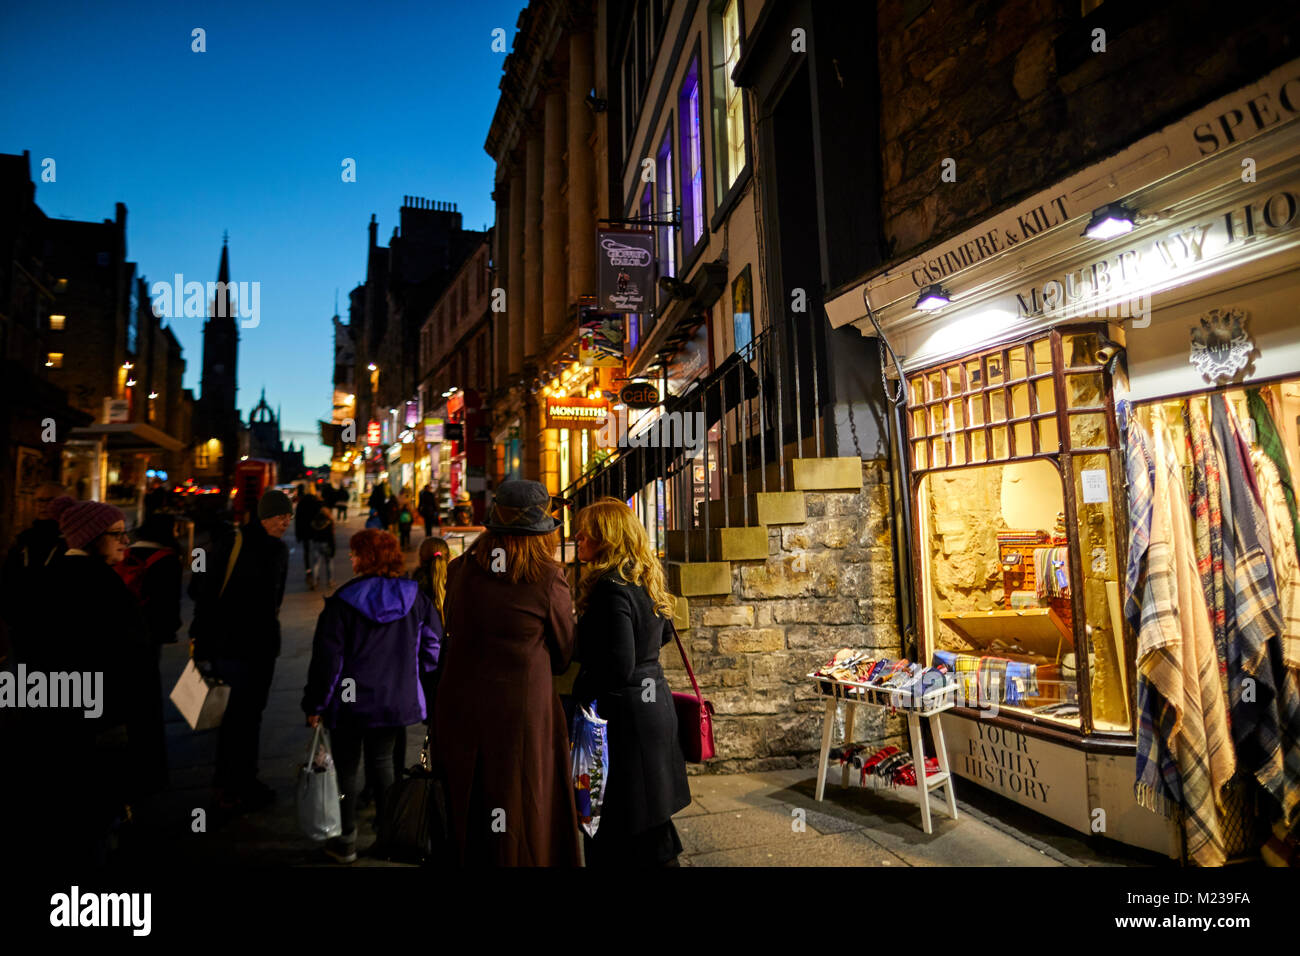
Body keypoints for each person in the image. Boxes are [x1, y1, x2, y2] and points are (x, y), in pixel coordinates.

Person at [435, 479, 580, 866]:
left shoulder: (460, 569)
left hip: (461, 708)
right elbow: (565, 652)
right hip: (520, 717)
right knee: (522, 809)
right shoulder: (548, 578)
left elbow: (452, 625)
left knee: (472, 804)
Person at [18, 497, 146, 866]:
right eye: (117, 535)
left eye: (126, 534)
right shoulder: (101, 585)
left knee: (66, 801)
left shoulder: (49, 576)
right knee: (97, 804)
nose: (126, 542)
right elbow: (126, 655)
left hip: (54, 711)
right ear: (91, 537)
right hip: (99, 715)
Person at [302, 529, 442, 863]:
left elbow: (328, 661)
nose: (350, 558)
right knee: (383, 764)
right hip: (394, 699)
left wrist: (316, 704)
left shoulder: (342, 602)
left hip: (348, 703)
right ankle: (389, 833)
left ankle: (345, 839)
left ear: (367, 558)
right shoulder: (414, 598)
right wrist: (413, 677)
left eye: (354, 553)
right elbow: (433, 647)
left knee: (347, 768)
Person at [572, 498, 691, 867]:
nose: (576, 537)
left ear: (605, 537)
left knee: (618, 819)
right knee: (648, 815)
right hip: (653, 705)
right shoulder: (642, 576)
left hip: (623, 720)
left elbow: (618, 666)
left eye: (584, 532)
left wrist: (580, 653)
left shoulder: (610, 588)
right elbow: (663, 636)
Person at [189, 490, 292, 813]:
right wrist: (204, 639)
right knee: (234, 718)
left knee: (252, 716)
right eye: (278, 516)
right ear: (262, 517)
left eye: (288, 517)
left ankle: (247, 779)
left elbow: (276, 599)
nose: (284, 522)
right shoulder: (231, 543)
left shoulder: (279, 550)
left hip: (262, 647)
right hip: (230, 645)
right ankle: (227, 785)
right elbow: (200, 589)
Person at [114, 511, 184, 796]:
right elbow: (170, 604)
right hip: (149, 636)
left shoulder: (127, 553)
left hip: (121, 635)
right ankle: (149, 771)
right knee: (147, 696)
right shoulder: (168, 559)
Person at [0, 481, 68, 663]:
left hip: (59, 628)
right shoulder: (24, 539)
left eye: (50, 500)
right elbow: (8, 579)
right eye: (39, 500)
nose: (43, 505)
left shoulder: (72, 539)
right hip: (23, 625)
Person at [294, 484, 323, 588]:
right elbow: (322, 515)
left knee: (306, 552)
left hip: (304, 531)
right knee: (315, 552)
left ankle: (308, 572)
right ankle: (316, 574)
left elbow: (298, 520)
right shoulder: (316, 502)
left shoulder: (301, 503)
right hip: (315, 531)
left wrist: (297, 534)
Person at [309, 501, 337, 591]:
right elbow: (331, 536)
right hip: (326, 544)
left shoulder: (314, 522)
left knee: (316, 564)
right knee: (329, 563)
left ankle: (314, 582)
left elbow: (312, 534)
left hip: (316, 543)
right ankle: (330, 581)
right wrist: (333, 548)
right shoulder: (329, 522)